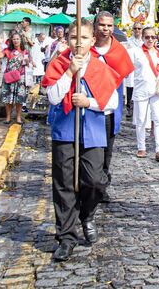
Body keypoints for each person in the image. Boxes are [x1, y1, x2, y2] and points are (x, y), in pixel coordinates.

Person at [42, 20, 118, 262]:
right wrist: (69, 72)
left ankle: (86, 214)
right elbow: (53, 97)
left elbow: (112, 103)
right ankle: (66, 237)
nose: (79, 42)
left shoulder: (100, 67)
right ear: (67, 39)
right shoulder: (59, 63)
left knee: (95, 181)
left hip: (93, 131)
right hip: (65, 130)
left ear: (92, 40)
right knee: (64, 184)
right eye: (74, 37)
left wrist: (89, 102)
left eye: (84, 38)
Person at [90, 11, 134, 203]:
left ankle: (102, 186)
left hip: (110, 108)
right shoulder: (86, 48)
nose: (106, 29)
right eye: (102, 25)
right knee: (91, 149)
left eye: (109, 25)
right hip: (88, 108)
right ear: (95, 26)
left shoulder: (119, 51)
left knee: (107, 149)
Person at [128, 26, 159, 161]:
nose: (150, 39)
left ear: (157, 37)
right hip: (141, 90)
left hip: (157, 91)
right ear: (142, 37)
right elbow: (123, 61)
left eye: (153, 37)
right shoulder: (135, 52)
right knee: (141, 120)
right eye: (147, 37)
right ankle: (141, 147)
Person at [0, 32, 30, 125]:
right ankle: (8, 117)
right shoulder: (7, 50)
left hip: (20, 77)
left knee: (19, 99)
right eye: (14, 39)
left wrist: (27, 61)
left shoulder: (25, 51)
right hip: (9, 77)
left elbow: (27, 64)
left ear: (21, 40)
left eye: (17, 39)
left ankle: (18, 117)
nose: (16, 40)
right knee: (8, 98)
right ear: (11, 40)